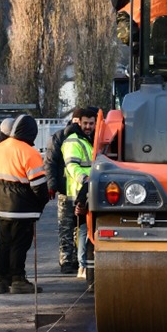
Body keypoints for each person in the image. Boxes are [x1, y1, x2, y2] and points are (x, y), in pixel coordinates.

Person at [0, 114, 48, 294]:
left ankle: (1, 280)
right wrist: (41, 202)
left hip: (3, 205)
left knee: (4, 243)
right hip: (23, 206)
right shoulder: (29, 152)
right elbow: (38, 185)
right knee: (20, 244)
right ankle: (18, 279)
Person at [45, 109, 83, 274]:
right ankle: (66, 259)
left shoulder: (84, 138)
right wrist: (52, 184)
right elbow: (50, 162)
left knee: (78, 225)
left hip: (80, 189)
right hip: (65, 189)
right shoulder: (60, 137)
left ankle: (75, 257)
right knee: (66, 225)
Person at [61, 107, 97, 279]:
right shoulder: (74, 140)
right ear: (79, 122)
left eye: (91, 123)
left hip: (91, 189)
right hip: (80, 191)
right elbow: (72, 166)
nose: (88, 126)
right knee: (83, 229)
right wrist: (86, 180)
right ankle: (82, 267)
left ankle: (85, 265)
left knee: (87, 228)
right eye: (86, 123)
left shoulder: (88, 139)